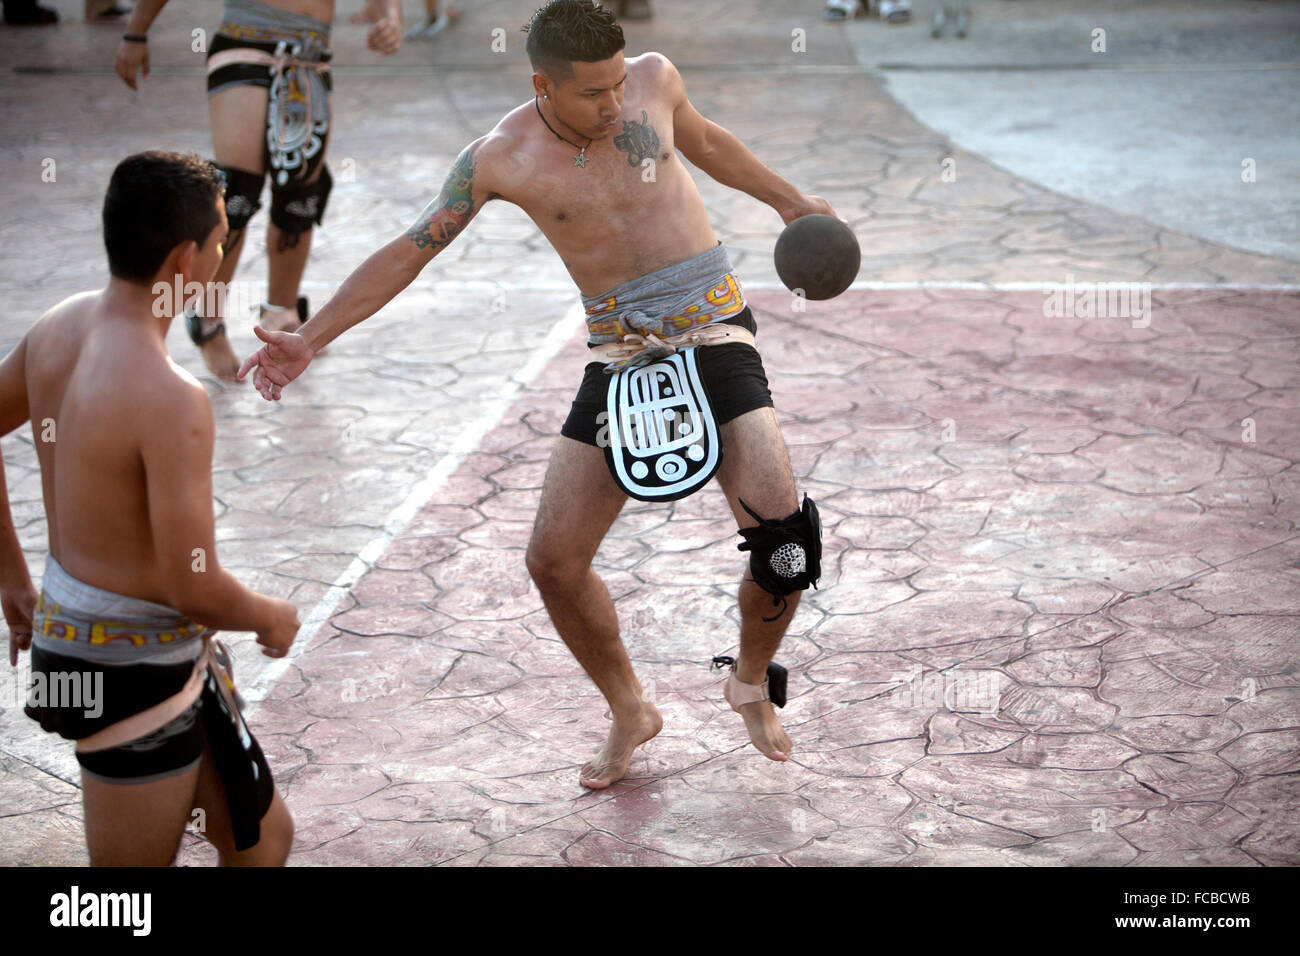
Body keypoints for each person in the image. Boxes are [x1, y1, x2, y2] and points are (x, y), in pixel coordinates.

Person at [238, 0, 835, 790]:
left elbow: (712, 143)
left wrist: (790, 200)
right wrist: (310, 341)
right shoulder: (498, 157)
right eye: (593, 94)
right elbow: (409, 250)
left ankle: (751, 679)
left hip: (713, 322)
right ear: (542, 85)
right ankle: (630, 707)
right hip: (620, 350)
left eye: (619, 84)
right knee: (553, 562)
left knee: (786, 543)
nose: (615, 104)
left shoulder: (654, 83)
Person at [0, 151, 301, 865]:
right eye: (224, 240)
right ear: (184, 260)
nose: (226, 254)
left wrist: (12, 579)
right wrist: (270, 615)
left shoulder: (59, 328)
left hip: (110, 648)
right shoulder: (170, 399)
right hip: (127, 672)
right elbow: (190, 584)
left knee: (263, 842)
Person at [113, 0, 402, 381]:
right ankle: (208, 318)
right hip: (244, 38)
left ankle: (281, 312)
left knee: (299, 193)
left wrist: (390, 16)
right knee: (236, 194)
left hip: (310, 52)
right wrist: (136, 31)